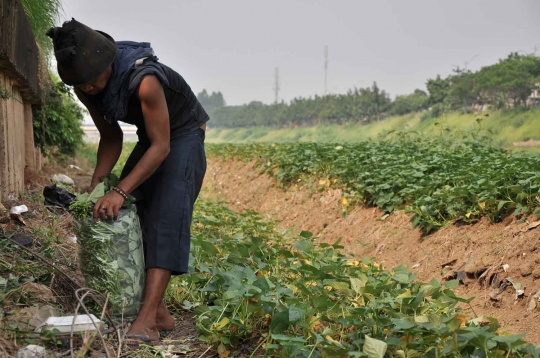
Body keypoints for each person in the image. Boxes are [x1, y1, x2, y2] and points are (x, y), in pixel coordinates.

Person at [46, 19, 208, 345]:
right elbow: (110, 136)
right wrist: (98, 186)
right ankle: (159, 310)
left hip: (184, 134)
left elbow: (163, 147)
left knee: (166, 214)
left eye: (92, 82)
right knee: (136, 210)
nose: (89, 90)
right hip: (154, 138)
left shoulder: (145, 81)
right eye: (82, 85)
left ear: (107, 63)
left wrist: (120, 190)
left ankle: (147, 320)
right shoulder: (85, 86)